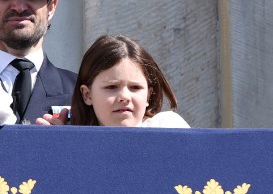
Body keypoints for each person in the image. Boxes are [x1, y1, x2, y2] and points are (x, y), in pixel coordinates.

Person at [36, 34, 188, 127]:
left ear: (148, 95)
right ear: (87, 95)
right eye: (112, 87)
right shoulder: (70, 142)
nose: (124, 97)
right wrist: (55, 146)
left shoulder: (168, 128)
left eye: (135, 87)